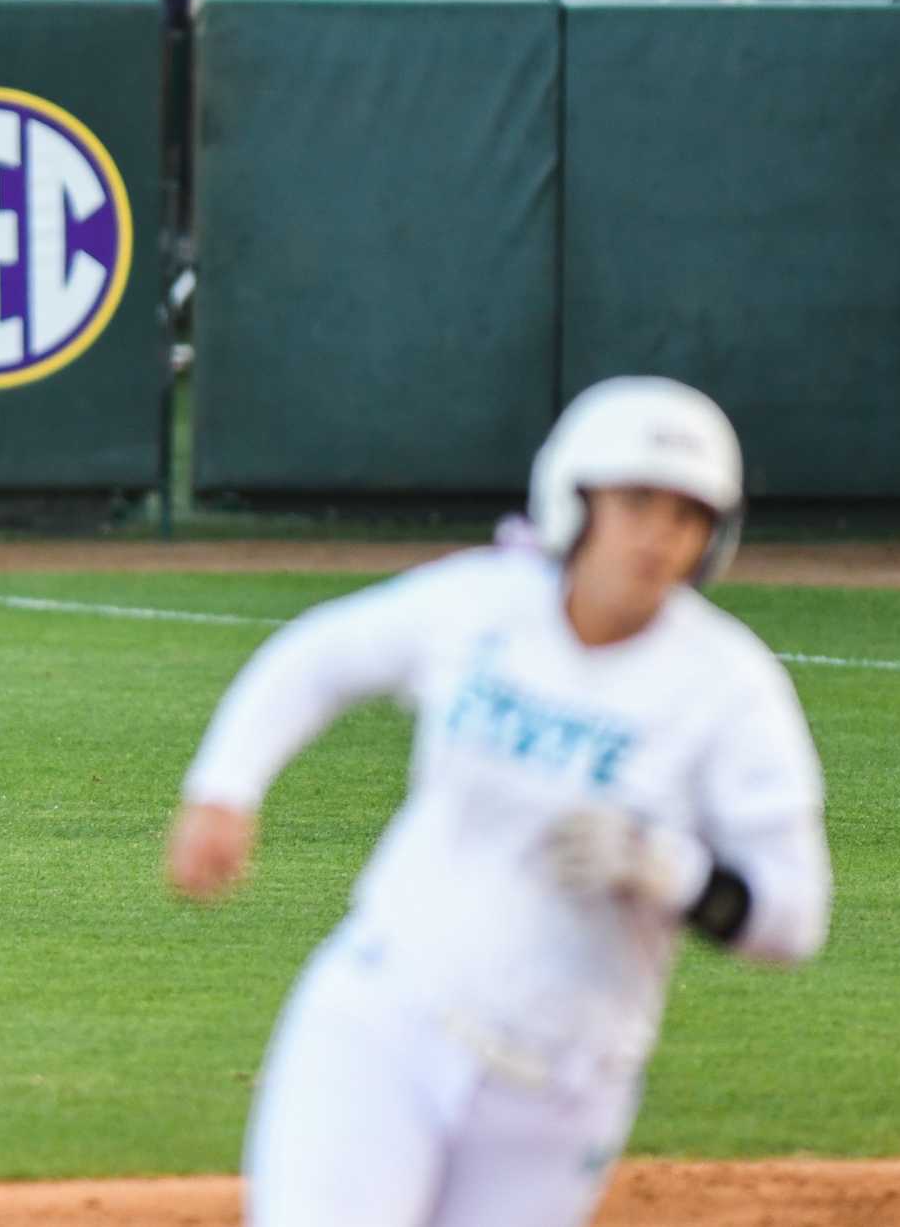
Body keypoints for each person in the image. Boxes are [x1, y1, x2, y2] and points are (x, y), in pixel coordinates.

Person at [165, 376, 832, 1227]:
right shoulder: (483, 604)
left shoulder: (729, 689)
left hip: (561, 1091)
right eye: (637, 502)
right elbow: (321, 656)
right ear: (574, 498)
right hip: (385, 1021)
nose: (660, 537)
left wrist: (674, 873)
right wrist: (225, 789)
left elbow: (795, 915)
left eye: (687, 515)